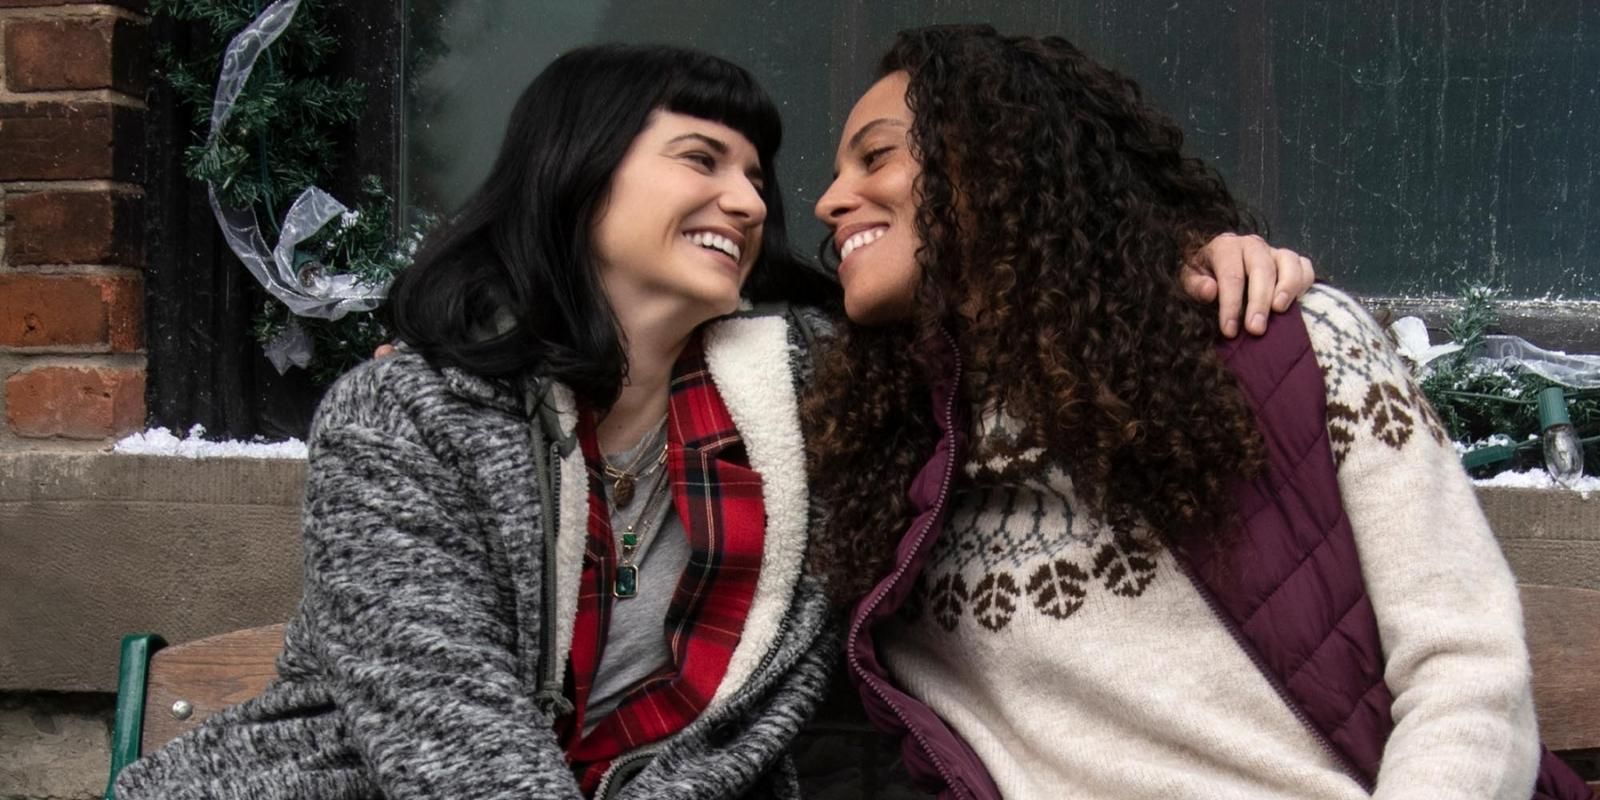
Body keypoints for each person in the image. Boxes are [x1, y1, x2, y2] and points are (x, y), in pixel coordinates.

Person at [112, 41, 1313, 800]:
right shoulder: (407, 412)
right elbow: (445, 736)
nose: (746, 200)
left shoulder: (818, 395)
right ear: (579, 172)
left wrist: (1181, 257)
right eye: (702, 158)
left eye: (755, 175)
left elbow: (1029, 320)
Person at [804, 24, 1594, 800]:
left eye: (876, 156)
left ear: (998, 162)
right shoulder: (888, 464)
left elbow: (1467, 674)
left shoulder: (1289, 350)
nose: (829, 200)